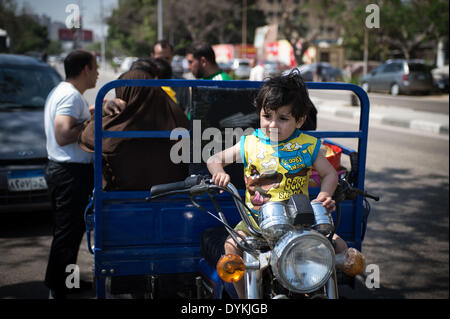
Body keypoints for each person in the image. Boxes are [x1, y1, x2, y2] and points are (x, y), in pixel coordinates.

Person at [206, 70, 348, 299]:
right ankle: (245, 300)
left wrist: (325, 194)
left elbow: (330, 174)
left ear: (300, 120)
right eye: (267, 116)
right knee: (231, 248)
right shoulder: (249, 143)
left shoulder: (307, 145)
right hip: (255, 223)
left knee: (341, 248)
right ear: (259, 114)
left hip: (300, 223)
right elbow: (214, 159)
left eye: (283, 118)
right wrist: (219, 173)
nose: (272, 124)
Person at [43, 49, 99, 299]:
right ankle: (58, 289)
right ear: (85, 69)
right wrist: (92, 122)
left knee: (72, 232)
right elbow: (63, 134)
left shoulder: (65, 93)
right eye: (95, 67)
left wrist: (91, 112)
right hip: (69, 174)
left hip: (65, 172)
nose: (98, 73)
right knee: (67, 234)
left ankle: (69, 282)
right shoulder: (70, 96)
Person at [79, 69, 189, 191]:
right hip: (174, 199)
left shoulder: (121, 127)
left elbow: (86, 135)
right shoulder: (179, 119)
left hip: (126, 202)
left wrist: (104, 110)